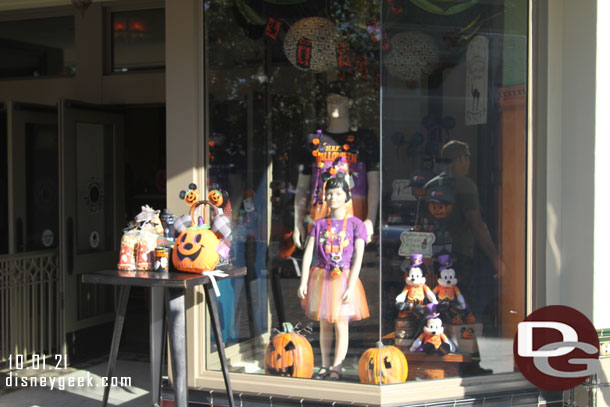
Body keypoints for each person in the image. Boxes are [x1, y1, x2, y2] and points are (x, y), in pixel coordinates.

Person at [297, 157, 369, 380]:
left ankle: (337, 366)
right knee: (325, 324)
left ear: (347, 197)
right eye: (329, 193)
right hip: (321, 276)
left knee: (341, 324)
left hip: (343, 277)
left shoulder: (356, 224)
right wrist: (302, 281)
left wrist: (351, 283)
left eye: (337, 193)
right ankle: (325, 364)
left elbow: (358, 256)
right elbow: (308, 251)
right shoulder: (318, 225)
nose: (332, 197)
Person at [294, 81, 379, 248]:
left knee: (351, 272)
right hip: (318, 223)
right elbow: (302, 187)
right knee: (317, 272)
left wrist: (370, 219)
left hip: (354, 224)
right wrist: (297, 222)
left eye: (339, 100)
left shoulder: (365, 140)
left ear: (349, 103)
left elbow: (374, 184)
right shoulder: (313, 141)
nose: (334, 104)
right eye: (330, 100)